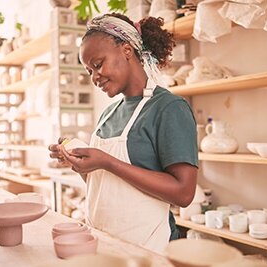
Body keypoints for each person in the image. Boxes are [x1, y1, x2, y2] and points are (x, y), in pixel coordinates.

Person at [48, 12, 198, 253]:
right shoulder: (108, 113)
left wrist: (107, 162)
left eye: (98, 65)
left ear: (127, 50)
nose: (94, 77)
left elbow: (184, 192)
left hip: (147, 249)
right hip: (104, 245)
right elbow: (106, 184)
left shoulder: (168, 109)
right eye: (89, 71)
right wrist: (79, 165)